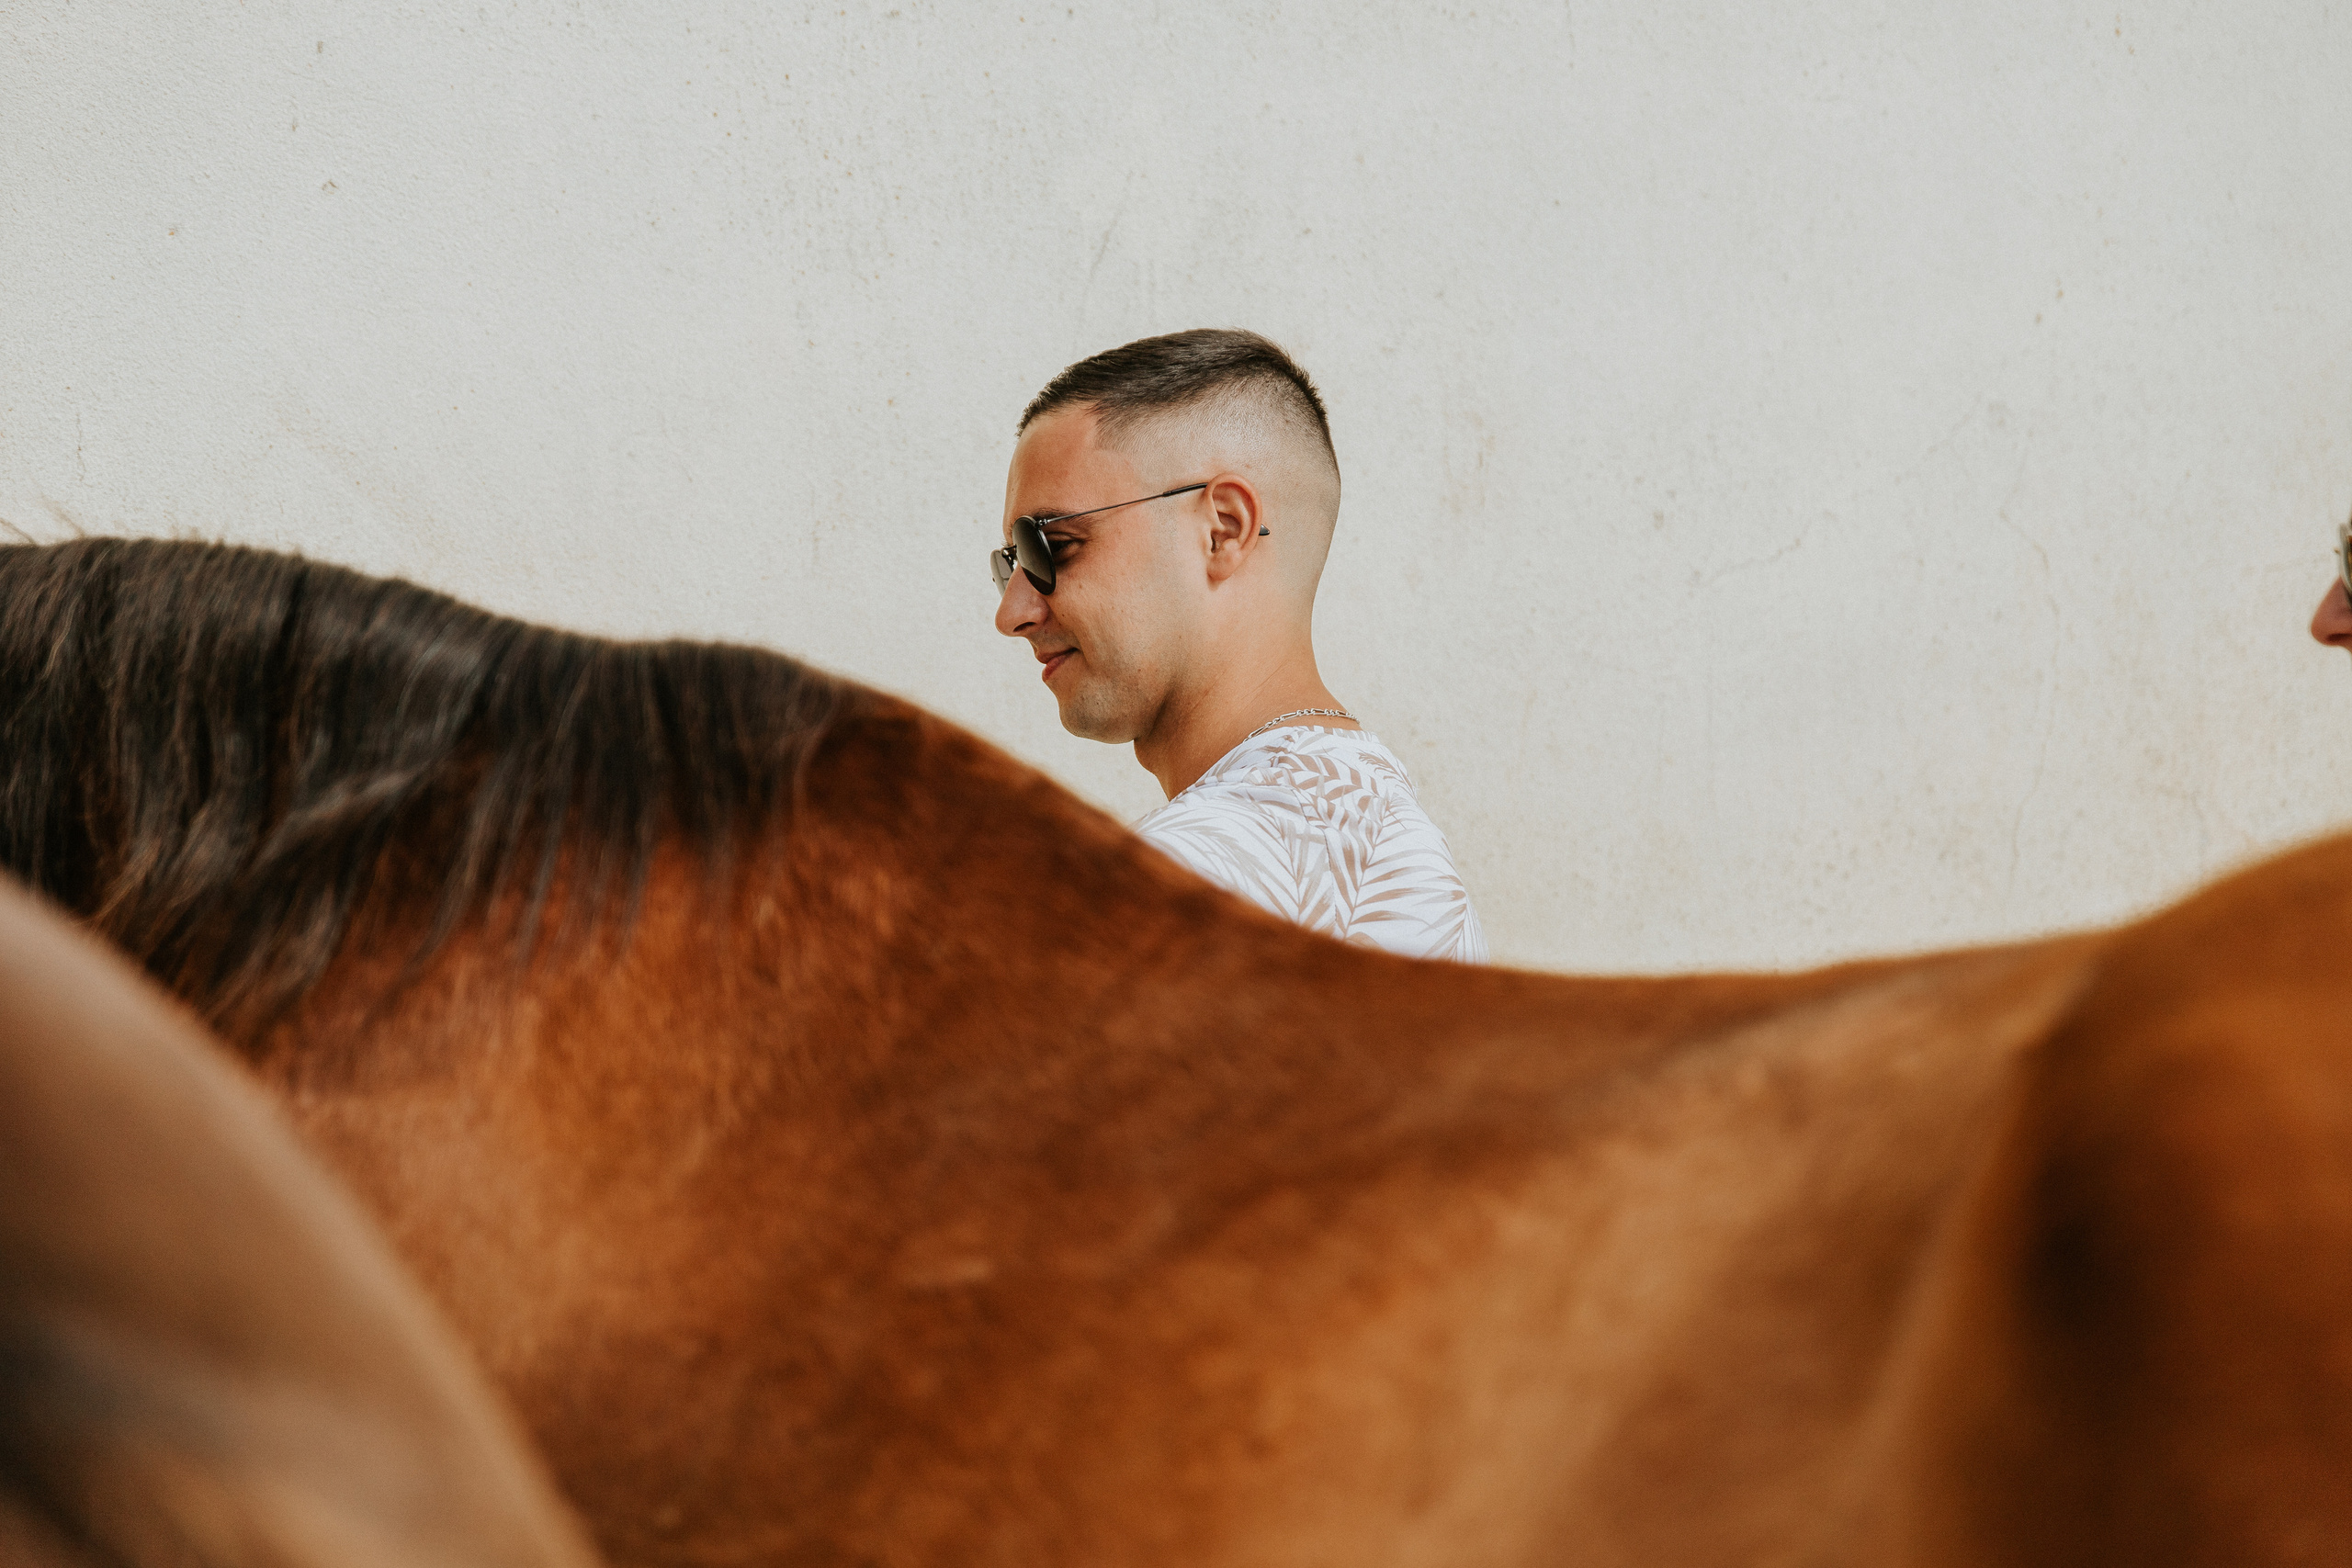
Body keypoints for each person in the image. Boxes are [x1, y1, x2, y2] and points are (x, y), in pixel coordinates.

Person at [990, 328, 1487, 963]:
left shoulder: (1178, 888)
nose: (1012, 613)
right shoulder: (1403, 847)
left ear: (1223, 531)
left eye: (1050, 546)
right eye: (1011, 562)